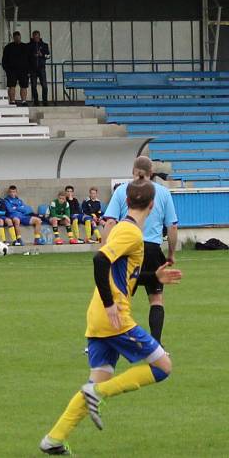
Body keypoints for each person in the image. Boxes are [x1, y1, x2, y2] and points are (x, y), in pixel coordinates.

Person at [39, 180, 181, 456]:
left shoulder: (123, 230)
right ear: (152, 206)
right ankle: (100, 393)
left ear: (126, 203)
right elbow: (100, 261)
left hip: (99, 317)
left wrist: (154, 277)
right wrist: (110, 304)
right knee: (163, 367)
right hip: (113, 316)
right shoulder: (130, 233)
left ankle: (53, 439)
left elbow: (122, 274)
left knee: (97, 378)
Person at [102, 156, 178, 345]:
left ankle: (107, 340)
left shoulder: (122, 191)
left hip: (126, 248)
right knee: (156, 298)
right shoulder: (162, 192)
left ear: (133, 171)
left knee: (120, 296)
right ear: (151, 172)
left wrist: (106, 250)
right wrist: (170, 254)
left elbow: (110, 221)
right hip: (152, 248)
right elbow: (172, 227)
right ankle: (157, 343)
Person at [1, 31, 29, 106]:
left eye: (18, 37)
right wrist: (6, 69)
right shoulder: (8, 47)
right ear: (13, 38)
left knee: (24, 86)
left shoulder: (25, 47)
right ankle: (12, 101)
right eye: (16, 37)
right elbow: (4, 60)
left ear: (20, 37)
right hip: (11, 70)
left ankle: (23, 101)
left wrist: (28, 70)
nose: (17, 39)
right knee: (11, 86)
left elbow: (29, 59)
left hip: (23, 71)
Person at [28, 30, 51, 107]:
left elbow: (48, 56)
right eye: (35, 37)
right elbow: (27, 57)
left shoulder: (44, 45)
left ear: (39, 36)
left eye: (37, 37)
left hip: (41, 68)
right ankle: (36, 101)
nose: (36, 38)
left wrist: (42, 55)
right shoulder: (29, 46)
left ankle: (45, 101)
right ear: (32, 37)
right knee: (33, 86)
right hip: (32, 69)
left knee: (44, 85)